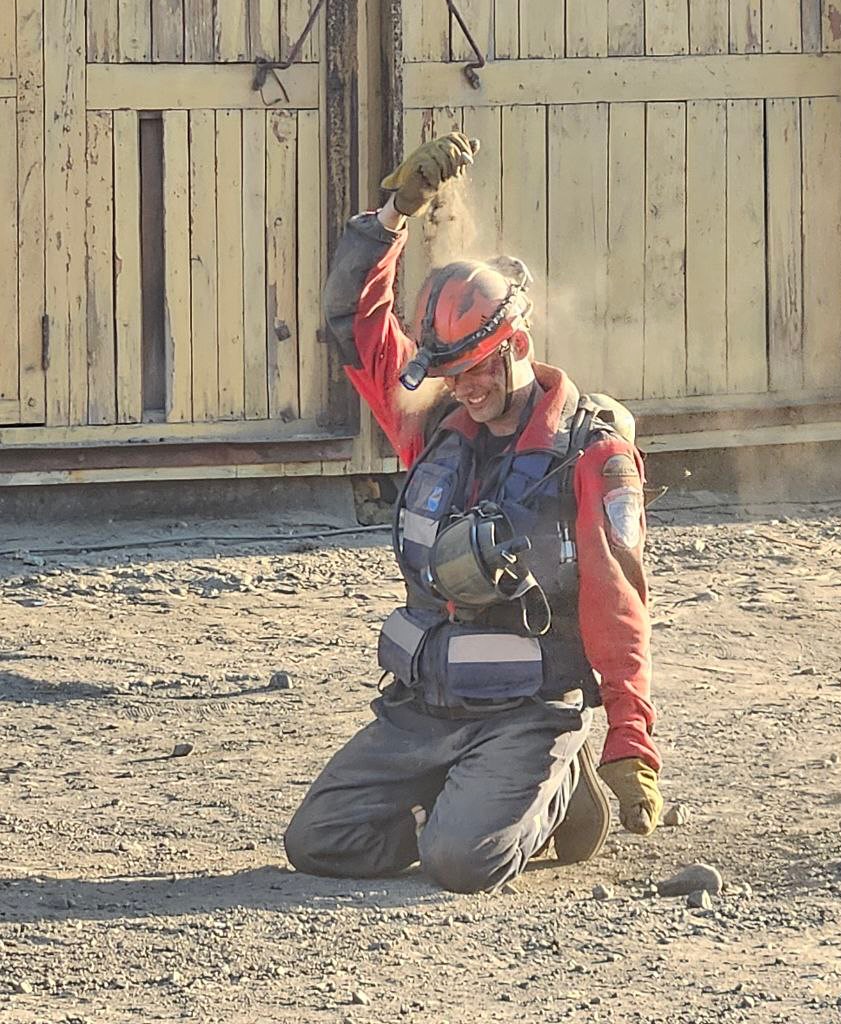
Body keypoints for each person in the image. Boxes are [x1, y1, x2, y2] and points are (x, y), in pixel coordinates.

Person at [283, 134, 662, 894]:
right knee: (319, 841)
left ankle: (561, 793)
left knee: (461, 865)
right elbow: (354, 322)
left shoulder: (589, 454)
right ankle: (463, 800)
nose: (465, 387)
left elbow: (617, 601)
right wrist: (393, 216)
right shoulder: (432, 426)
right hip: (423, 711)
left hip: (527, 714)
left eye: (478, 369)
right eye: (451, 373)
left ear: (516, 343)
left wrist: (630, 739)